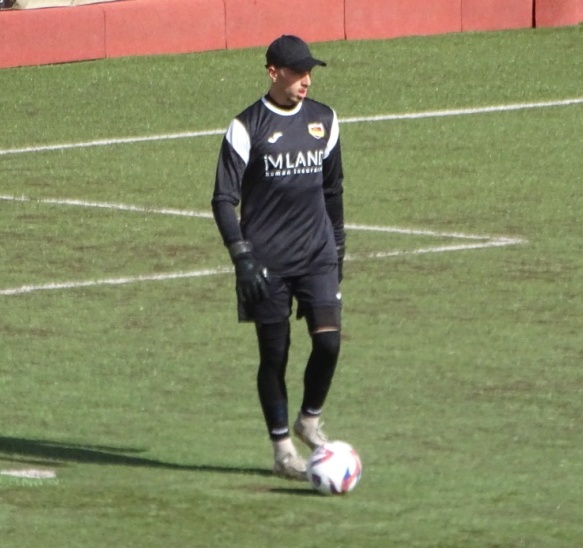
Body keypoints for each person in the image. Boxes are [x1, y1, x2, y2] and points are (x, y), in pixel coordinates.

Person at [211, 35, 346, 481]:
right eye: (297, 73)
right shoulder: (245, 127)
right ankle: (283, 449)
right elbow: (222, 200)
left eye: (310, 72)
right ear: (273, 72)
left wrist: (338, 249)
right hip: (267, 263)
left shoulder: (324, 120)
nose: (306, 81)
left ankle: (309, 419)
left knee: (329, 342)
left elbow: (333, 191)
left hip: (317, 254)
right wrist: (242, 257)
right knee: (275, 355)